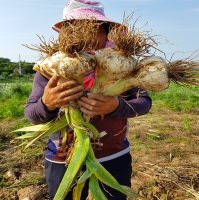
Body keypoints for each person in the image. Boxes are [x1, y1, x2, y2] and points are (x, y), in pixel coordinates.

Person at [25, 0, 152, 199]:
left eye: (95, 29)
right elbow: (32, 115)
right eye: (77, 29)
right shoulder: (50, 69)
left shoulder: (122, 67)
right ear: (66, 34)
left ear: (107, 32)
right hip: (62, 160)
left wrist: (116, 106)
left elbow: (144, 103)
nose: (88, 37)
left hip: (113, 156)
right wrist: (47, 103)